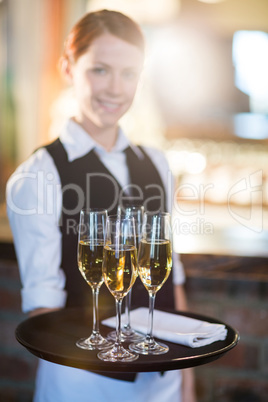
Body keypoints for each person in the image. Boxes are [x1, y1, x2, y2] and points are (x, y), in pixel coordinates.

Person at [6, 9, 196, 402]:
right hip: (82, 383)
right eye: (100, 70)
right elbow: (43, 308)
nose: (115, 88)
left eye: (129, 73)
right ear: (68, 68)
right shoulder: (38, 175)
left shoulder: (158, 163)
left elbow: (172, 284)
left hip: (163, 382)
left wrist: (186, 384)